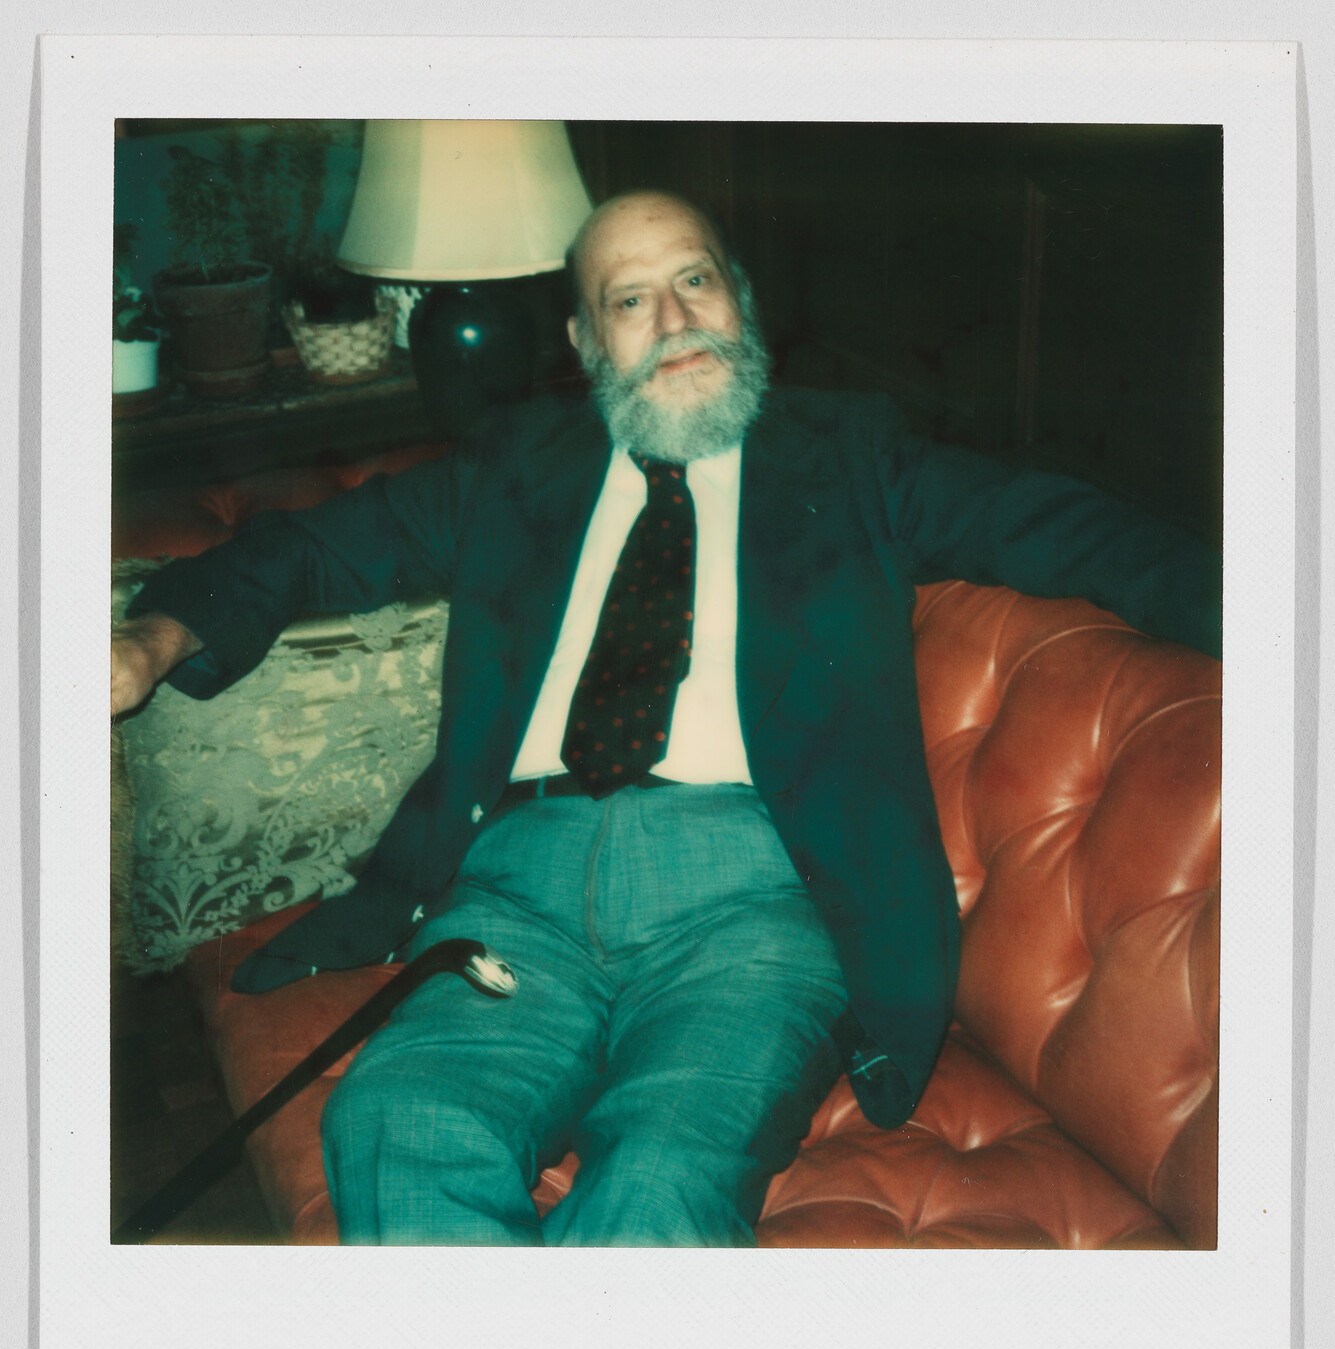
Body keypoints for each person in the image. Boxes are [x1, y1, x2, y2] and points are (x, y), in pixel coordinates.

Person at [111, 190, 1221, 1247]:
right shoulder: (515, 467)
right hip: (514, 899)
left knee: (660, 1177)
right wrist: (152, 639)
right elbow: (317, 546)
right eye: (631, 298)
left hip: (756, 908)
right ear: (590, 342)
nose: (676, 318)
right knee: (399, 1124)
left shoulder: (856, 454)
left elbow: (1074, 530)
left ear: (740, 297)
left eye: (696, 280)